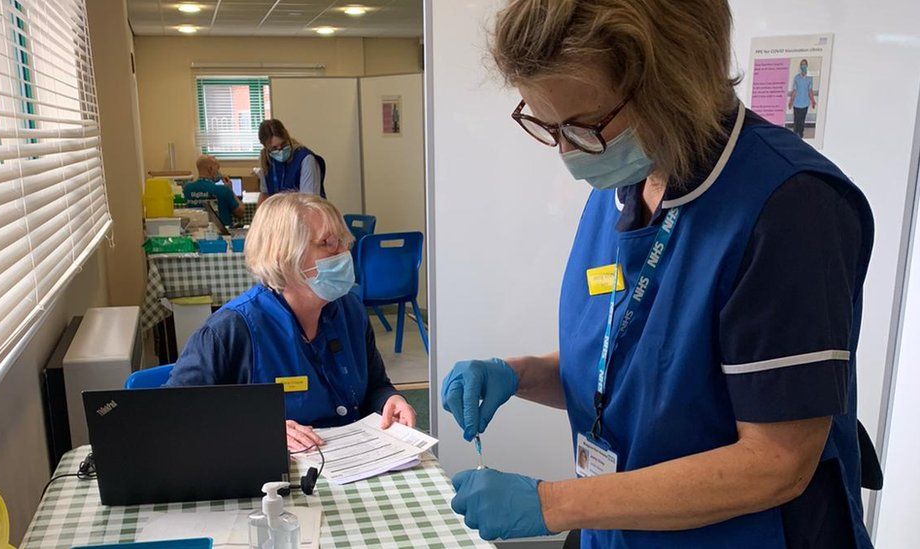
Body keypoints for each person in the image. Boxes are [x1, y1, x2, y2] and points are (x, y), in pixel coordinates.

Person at [441, 1, 875, 548]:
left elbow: (777, 462)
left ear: (672, 84)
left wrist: (553, 505)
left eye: (582, 128)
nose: (567, 152)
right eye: (545, 125)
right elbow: (642, 371)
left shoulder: (791, 208)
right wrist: (521, 374)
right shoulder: (629, 179)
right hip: (623, 527)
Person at [166, 192, 416, 451]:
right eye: (328, 243)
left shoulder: (350, 310)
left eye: (344, 242)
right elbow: (173, 415)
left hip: (353, 462)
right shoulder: (230, 330)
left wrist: (390, 400)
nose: (344, 254)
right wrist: (260, 428)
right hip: (274, 477)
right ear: (282, 257)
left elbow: (375, 386)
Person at [257, 119, 326, 205]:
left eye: (283, 144)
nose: (280, 150)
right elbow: (265, 195)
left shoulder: (306, 159)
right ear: (266, 147)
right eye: (274, 148)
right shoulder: (267, 161)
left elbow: (309, 203)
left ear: (287, 137)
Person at [182, 154, 244, 226]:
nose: (219, 172)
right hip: (222, 232)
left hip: (196, 230)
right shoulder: (223, 190)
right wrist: (231, 190)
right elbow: (240, 213)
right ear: (210, 169)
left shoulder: (187, 188)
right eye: (218, 169)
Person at [788, 59, 817, 138]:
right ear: (800, 66)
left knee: (802, 120)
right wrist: (791, 101)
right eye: (802, 64)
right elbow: (794, 90)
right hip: (797, 103)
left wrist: (813, 101)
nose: (803, 66)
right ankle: (795, 133)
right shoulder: (797, 78)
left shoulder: (809, 78)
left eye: (804, 64)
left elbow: (810, 91)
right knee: (796, 119)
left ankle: (800, 134)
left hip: (805, 103)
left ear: (807, 66)